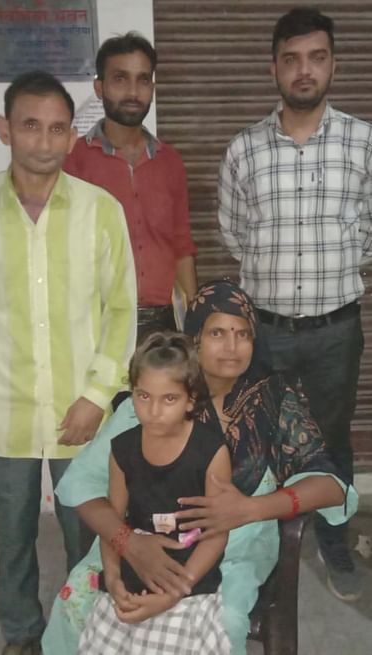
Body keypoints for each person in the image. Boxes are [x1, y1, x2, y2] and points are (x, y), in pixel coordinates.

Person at [42, 279, 357, 655]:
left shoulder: (272, 401)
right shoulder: (156, 399)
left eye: (242, 334)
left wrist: (250, 509)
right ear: (194, 339)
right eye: (217, 333)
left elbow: (330, 485)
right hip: (139, 533)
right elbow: (83, 484)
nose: (232, 346)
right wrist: (130, 544)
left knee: (221, 621)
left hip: (236, 545)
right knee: (80, 599)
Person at [0, 71, 137, 655]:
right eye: (30, 125)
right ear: (4, 129)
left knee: (86, 537)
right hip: (1, 415)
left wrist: (97, 396)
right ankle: (22, 636)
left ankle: (83, 631)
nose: (44, 141)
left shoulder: (101, 211)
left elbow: (121, 311)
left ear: (71, 136)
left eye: (58, 128)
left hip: (80, 415)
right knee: (12, 539)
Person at [218, 6, 371, 602]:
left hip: (336, 329)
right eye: (292, 60)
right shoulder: (244, 150)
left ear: (333, 64)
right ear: (274, 68)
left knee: (331, 440)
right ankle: (257, 551)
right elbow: (235, 234)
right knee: (257, 441)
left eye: (317, 57)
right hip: (265, 331)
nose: (304, 70)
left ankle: (333, 543)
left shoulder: (363, 143)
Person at [77, 332, 232, 654]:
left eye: (169, 399)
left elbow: (217, 534)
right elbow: (113, 523)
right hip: (135, 564)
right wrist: (113, 579)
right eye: (143, 396)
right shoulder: (122, 449)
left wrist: (176, 591)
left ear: (190, 400)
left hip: (189, 577)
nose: (153, 410)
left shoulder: (211, 452)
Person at [64, 32, 198, 339]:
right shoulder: (73, 161)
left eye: (143, 80)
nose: (133, 92)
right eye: (120, 79)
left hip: (163, 325)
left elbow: (182, 246)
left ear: (152, 88)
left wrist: (195, 322)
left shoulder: (170, 162)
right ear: (99, 87)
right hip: (99, 324)